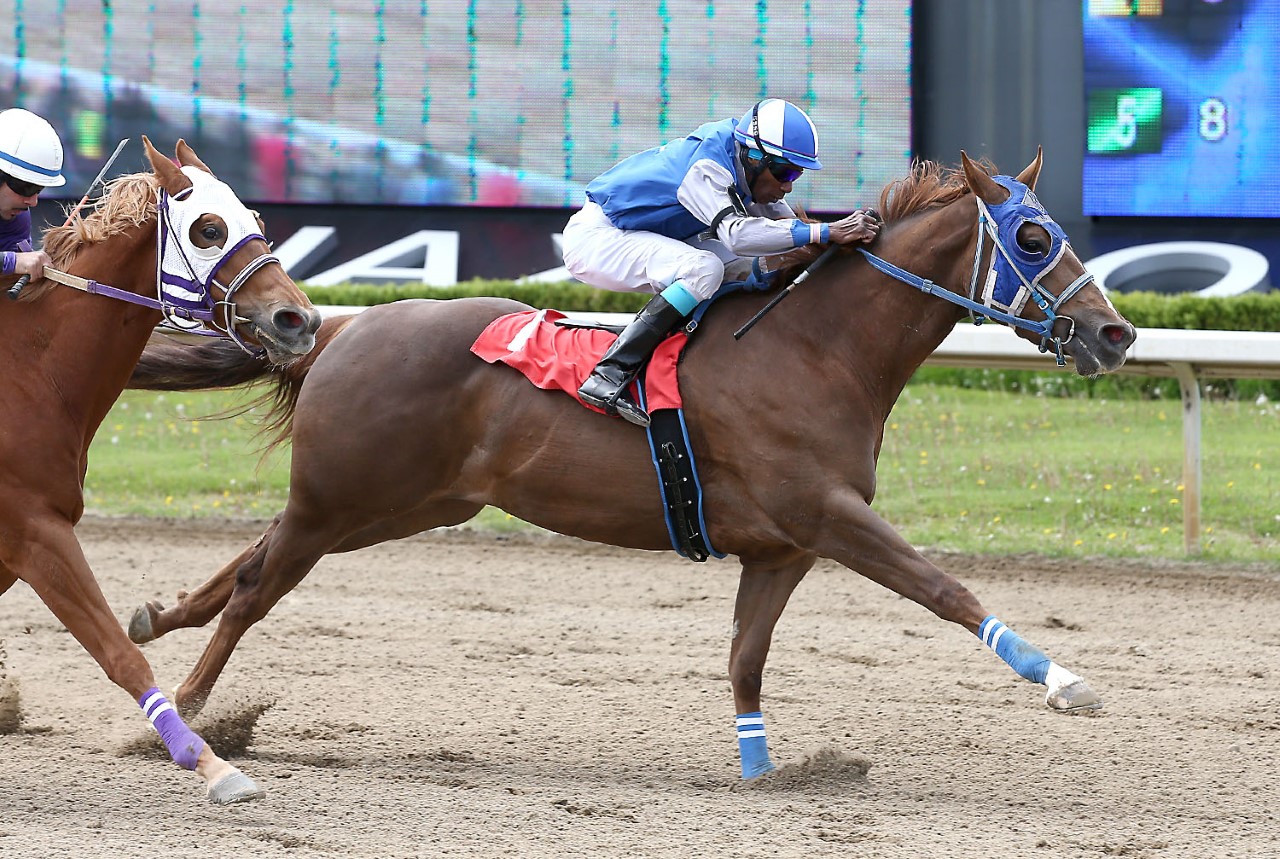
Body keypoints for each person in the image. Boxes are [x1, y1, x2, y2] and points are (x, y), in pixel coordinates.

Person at [561, 98, 882, 427]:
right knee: (704, 268)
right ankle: (609, 374)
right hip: (598, 238)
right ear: (754, 158)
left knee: (754, 263)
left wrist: (843, 242)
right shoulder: (707, 168)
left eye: (796, 174)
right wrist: (826, 231)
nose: (787, 186)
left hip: (640, 236)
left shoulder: (744, 164)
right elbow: (738, 237)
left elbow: (787, 240)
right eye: (784, 171)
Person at [0, 107, 64, 283]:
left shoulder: (17, 217)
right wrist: (11, 261)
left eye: (38, 190)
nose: (33, 201)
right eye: (26, 187)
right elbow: (12, 264)